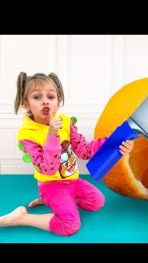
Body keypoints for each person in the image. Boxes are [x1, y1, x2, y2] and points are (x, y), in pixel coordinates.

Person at [0, 72, 134, 236]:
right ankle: (22, 218)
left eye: (51, 96)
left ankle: (57, 202)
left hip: (71, 181)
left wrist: (115, 142)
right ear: (25, 104)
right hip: (51, 185)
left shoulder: (64, 121)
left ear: (58, 102)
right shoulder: (27, 135)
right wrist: (52, 136)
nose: (45, 101)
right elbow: (48, 169)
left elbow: (84, 151)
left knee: (97, 202)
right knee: (69, 226)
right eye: (37, 97)